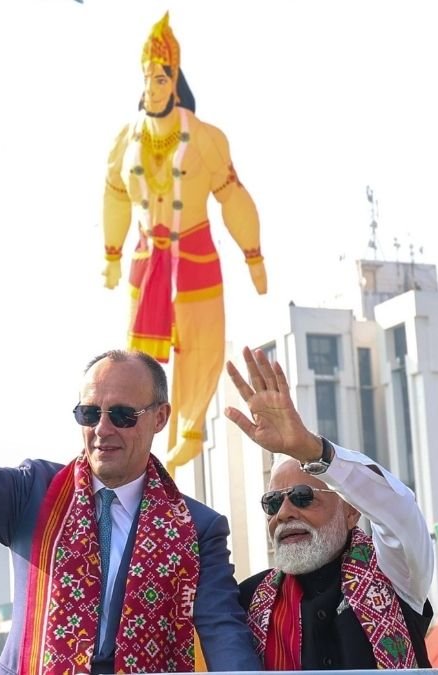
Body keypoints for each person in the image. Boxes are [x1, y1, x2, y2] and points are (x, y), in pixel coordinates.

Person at [0, 287, 261, 674]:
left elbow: (224, 633)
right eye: (89, 414)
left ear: (160, 417)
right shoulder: (34, 492)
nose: (103, 429)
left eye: (122, 415)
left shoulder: (198, 527)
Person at [102, 12, 267, 475]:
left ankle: (190, 428)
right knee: (136, 360)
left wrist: (253, 256)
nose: (153, 87)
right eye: (148, 78)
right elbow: (114, 197)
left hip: (193, 256)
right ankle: (138, 431)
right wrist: (111, 254)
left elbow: (233, 197)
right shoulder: (126, 140)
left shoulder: (206, 139)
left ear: (174, 80)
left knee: (201, 348)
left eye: (162, 77)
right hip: (146, 261)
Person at [223, 347, 436, 670]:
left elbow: (398, 509)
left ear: (352, 511)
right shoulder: (248, 599)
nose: (284, 513)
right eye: (273, 502)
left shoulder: (394, 574)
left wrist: (311, 450)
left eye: (303, 496)